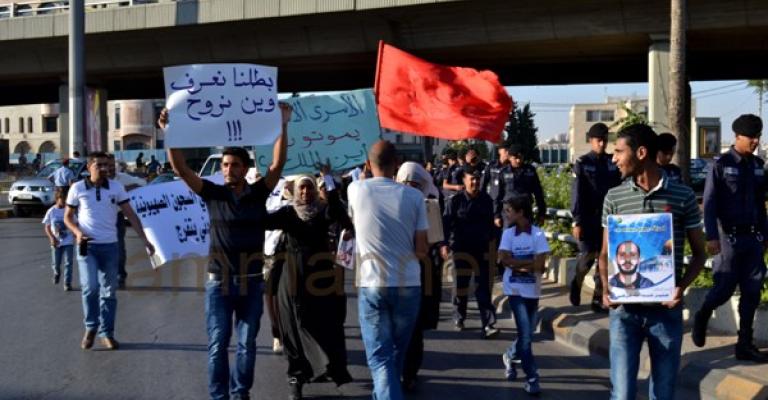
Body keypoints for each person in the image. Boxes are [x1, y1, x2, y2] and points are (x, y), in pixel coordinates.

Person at [163, 103, 292, 400]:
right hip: (218, 282)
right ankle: (218, 396)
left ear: (245, 169)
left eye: (234, 165)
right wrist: (169, 131)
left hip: (251, 280)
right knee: (218, 344)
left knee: (247, 344)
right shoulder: (213, 193)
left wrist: (283, 124)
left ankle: (240, 394)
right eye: (224, 165)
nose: (227, 169)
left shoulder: (258, 193)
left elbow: (278, 163)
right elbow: (180, 168)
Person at [598, 123, 706, 400]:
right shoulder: (614, 197)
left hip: (665, 313)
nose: (614, 158)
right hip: (624, 313)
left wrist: (680, 287)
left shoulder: (682, 196)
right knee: (622, 394)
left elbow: (699, 254)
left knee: (663, 393)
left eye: (619, 151)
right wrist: (606, 288)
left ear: (642, 152)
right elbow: (604, 253)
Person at [347, 140, 428, 400]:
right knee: (394, 354)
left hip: (373, 283)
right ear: (397, 165)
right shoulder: (415, 197)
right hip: (408, 284)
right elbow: (421, 250)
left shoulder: (355, 189)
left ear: (368, 165)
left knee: (381, 358)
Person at [265, 173, 353, 400]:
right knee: (294, 326)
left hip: (321, 277)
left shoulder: (323, 210)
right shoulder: (287, 213)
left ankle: (324, 367)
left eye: (309, 189)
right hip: (292, 276)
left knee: (324, 323)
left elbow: (342, 217)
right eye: (301, 189)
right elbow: (263, 220)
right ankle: (296, 378)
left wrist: (331, 184)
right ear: (295, 191)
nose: (305, 193)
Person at [692, 114, 768, 362]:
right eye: (751, 137)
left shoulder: (758, 165)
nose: (755, 141)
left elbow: (761, 203)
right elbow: (710, 203)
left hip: (753, 239)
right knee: (723, 289)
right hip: (728, 240)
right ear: (738, 137)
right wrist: (712, 236)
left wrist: (765, 235)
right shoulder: (721, 164)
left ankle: (744, 343)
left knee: (752, 292)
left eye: (758, 137)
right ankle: (703, 314)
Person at [63, 152, 155, 351]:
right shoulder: (77, 188)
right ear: (89, 167)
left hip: (110, 246)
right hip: (87, 245)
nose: (105, 169)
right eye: (100, 165)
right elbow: (68, 217)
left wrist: (145, 239)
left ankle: (107, 333)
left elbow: (130, 214)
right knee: (90, 288)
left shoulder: (116, 188)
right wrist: (77, 232)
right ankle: (91, 327)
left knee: (109, 292)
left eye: (107, 165)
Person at [395, 161, 444, 391]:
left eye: (414, 184)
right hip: (393, 273)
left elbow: (430, 242)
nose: (409, 188)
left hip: (419, 273)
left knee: (414, 328)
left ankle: (410, 372)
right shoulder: (391, 204)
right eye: (405, 184)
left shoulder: (429, 207)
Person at [498, 196, 549, 396]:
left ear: (520, 212)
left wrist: (516, 263)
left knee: (525, 335)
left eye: (509, 210)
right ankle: (532, 377)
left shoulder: (537, 235)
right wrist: (528, 264)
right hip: (515, 291)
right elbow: (503, 259)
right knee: (526, 335)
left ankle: (509, 356)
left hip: (532, 292)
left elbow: (540, 266)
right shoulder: (508, 234)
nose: (506, 214)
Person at [570, 123, 622, 312]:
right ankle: (576, 283)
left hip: (608, 219)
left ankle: (598, 298)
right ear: (591, 141)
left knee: (604, 259)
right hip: (588, 219)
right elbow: (576, 193)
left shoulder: (612, 162)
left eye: (604, 140)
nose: (602, 144)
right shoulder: (583, 163)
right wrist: (577, 220)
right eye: (598, 140)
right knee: (586, 259)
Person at [441, 166, 498, 338]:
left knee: (483, 288)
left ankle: (488, 324)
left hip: (482, 250)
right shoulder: (455, 201)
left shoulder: (487, 200)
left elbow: (492, 227)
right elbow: (445, 224)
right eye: (471, 179)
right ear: (464, 181)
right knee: (461, 285)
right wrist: (444, 244)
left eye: (477, 179)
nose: (475, 182)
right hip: (461, 249)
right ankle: (459, 315)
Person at [497, 145, 546, 226]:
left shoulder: (530, 171)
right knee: (509, 236)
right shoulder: (503, 172)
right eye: (515, 158)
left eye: (520, 157)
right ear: (509, 157)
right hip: (509, 212)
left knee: (526, 237)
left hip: (525, 212)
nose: (518, 160)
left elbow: (538, 193)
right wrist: (496, 215)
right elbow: (498, 196)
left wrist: (541, 213)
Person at [43, 189, 75, 291]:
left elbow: (76, 223)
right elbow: (47, 227)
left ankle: (67, 283)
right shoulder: (51, 211)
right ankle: (57, 273)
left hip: (68, 240)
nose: (64, 202)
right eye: (62, 199)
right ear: (57, 199)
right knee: (56, 263)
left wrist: (75, 233)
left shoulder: (69, 210)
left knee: (68, 263)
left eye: (65, 199)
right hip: (56, 242)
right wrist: (52, 238)